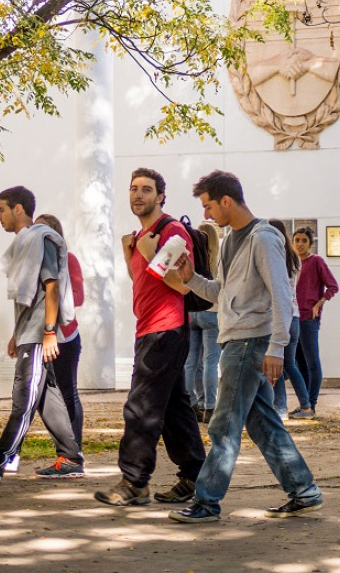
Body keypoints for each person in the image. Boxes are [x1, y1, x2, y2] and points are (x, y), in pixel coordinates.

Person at [168, 169, 323, 523]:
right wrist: (190, 278)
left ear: (226, 200)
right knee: (263, 424)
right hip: (236, 339)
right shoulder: (229, 240)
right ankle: (304, 491)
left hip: (250, 341)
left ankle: (206, 502)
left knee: (223, 425)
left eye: (208, 206)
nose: (206, 214)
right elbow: (220, 293)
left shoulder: (263, 238)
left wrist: (277, 347)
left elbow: (283, 296)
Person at [93, 168, 206, 507]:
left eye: (146, 189)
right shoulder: (142, 235)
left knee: (141, 407)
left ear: (161, 196)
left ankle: (135, 481)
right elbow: (143, 280)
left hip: (166, 328)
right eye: (133, 189)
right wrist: (133, 256)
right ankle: (196, 476)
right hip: (149, 328)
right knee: (173, 409)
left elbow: (180, 285)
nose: (138, 195)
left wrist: (148, 250)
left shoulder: (172, 232)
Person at [0, 186, 83, 481]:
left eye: (2, 210)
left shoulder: (40, 239)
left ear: (18, 209)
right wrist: (16, 334)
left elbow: (51, 286)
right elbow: (28, 296)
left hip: (38, 335)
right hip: (29, 333)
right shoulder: (27, 242)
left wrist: (47, 332)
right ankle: (70, 458)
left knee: (24, 396)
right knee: (45, 396)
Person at [34, 214, 85, 449]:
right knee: (40, 394)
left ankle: (71, 449)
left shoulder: (68, 261)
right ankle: (64, 448)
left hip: (64, 337)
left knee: (67, 392)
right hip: (39, 338)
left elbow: (78, 298)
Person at [291, 226, 338, 418]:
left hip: (309, 319)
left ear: (310, 243)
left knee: (312, 363)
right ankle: (305, 405)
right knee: (299, 363)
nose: (300, 244)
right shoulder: (292, 264)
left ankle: (312, 404)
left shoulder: (316, 261)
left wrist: (319, 304)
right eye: (297, 240)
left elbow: (333, 286)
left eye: (304, 240)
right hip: (293, 318)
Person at [268, 219, 310, 419]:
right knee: (289, 364)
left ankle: (281, 407)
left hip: (280, 317)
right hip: (295, 316)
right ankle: (306, 405)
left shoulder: (275, 256)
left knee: (277, 365)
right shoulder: (295, 258)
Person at [183, 221, 222, 423]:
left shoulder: (193, 255)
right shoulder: (218, 258)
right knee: (211, 361)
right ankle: (209, 405)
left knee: (191, 362)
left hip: (192, 311)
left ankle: (191, 403)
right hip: (212, 312)